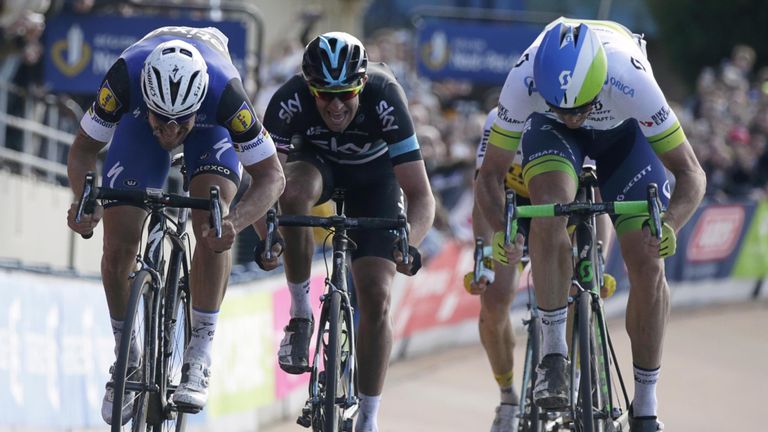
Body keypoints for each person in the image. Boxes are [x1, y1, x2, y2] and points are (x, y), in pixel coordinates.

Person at [475, 18, 706, 432]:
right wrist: (500, 228)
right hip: (550, 138)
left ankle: (647, 403)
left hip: (625, 136)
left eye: (579, 107)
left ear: (600, 81)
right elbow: (489, 177)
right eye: (561, 106)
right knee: (550, 208)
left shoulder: (630, 78)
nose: (573, 117)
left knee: (649, 263)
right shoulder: (523, 78)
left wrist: (670, 223)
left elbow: (691, 174)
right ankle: (553, 355)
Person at [66, 26, 285, 424]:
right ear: (146, 98)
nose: (169, 133)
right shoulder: (123, 80)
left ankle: (199, 351)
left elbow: (272, 176)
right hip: (136, 121)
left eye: (177, 124)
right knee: (118, 246)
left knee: (212, 219)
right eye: (161, 121)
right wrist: (83, 200)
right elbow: (83, 149)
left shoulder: (226, 95)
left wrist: (234, 222)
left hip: (210, 127)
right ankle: (126, 357)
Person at [254, 31, 435, 432]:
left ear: (363, 85)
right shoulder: (288, 99)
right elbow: (264, 183)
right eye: (323, 94)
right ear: (308, 86)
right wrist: (267, 235)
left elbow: (421, 196)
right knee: (293, 192)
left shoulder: (387, 98)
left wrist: (411, 243)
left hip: (374, 183)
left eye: (346, 94)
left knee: (376, 294)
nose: (335, 106)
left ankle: (369, 418)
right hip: (315, 166)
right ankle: (301, 316)